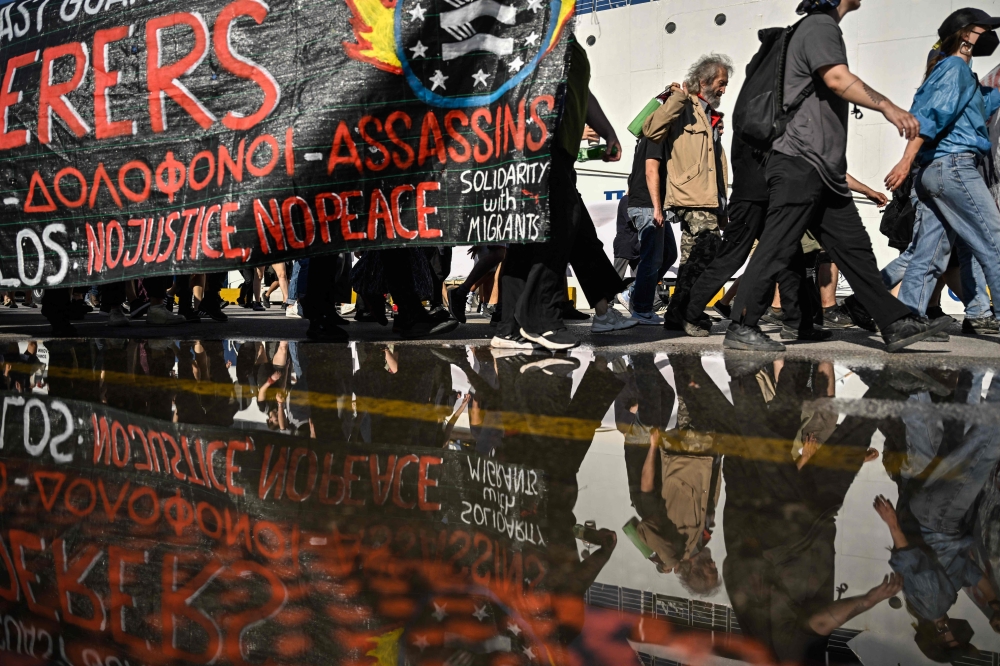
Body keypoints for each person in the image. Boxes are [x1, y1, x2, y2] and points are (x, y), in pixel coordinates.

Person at [724, 0, 948, 353]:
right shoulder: (819, 26)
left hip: (825, 171)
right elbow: (837, 78)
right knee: (777, 245)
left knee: (854, 248)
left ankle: (893, 322)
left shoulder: (818, 27)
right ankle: (741, 324)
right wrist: (888, 106)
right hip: (799, 162)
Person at [494, 36, 634, 351]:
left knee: (528, 237)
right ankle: (540, 318)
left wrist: (607, 131)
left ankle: (508, 328)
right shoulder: (539, 27)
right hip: (535, 144)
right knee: (561, 224)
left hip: (557, 149)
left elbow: (581, 92)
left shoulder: (565, 39)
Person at [884, 8, 1000, 335]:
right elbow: (930, 116)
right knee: (993, 241)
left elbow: (980, 106)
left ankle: (906, 320)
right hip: (953, 166)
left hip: (937, 171)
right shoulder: (955, 69)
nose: (988, 34)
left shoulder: (961, 74)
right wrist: (906, 161)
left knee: (930, 252)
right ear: (964, 34)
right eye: (983, 28)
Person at [641, 54, 733, 333]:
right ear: (703, 81)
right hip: (690, 195)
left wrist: (722, 202)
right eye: (721, 83)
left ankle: (677, 314)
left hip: (709, 198)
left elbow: (716, 163)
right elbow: (650, 129)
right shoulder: (681, 104)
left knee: (693, 257)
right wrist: (678, 97)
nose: (724, 90)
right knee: (707, 251)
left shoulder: (710, 115)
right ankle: (688, 313)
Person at [624, 130, 672, 325]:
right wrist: (657, 208)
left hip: (650, 205)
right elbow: (651, 171)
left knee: (669, 253)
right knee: (651, 258)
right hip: (648, 205)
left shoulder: (650, 138)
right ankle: (642, 309)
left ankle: (634, 292)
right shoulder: (656, 136)